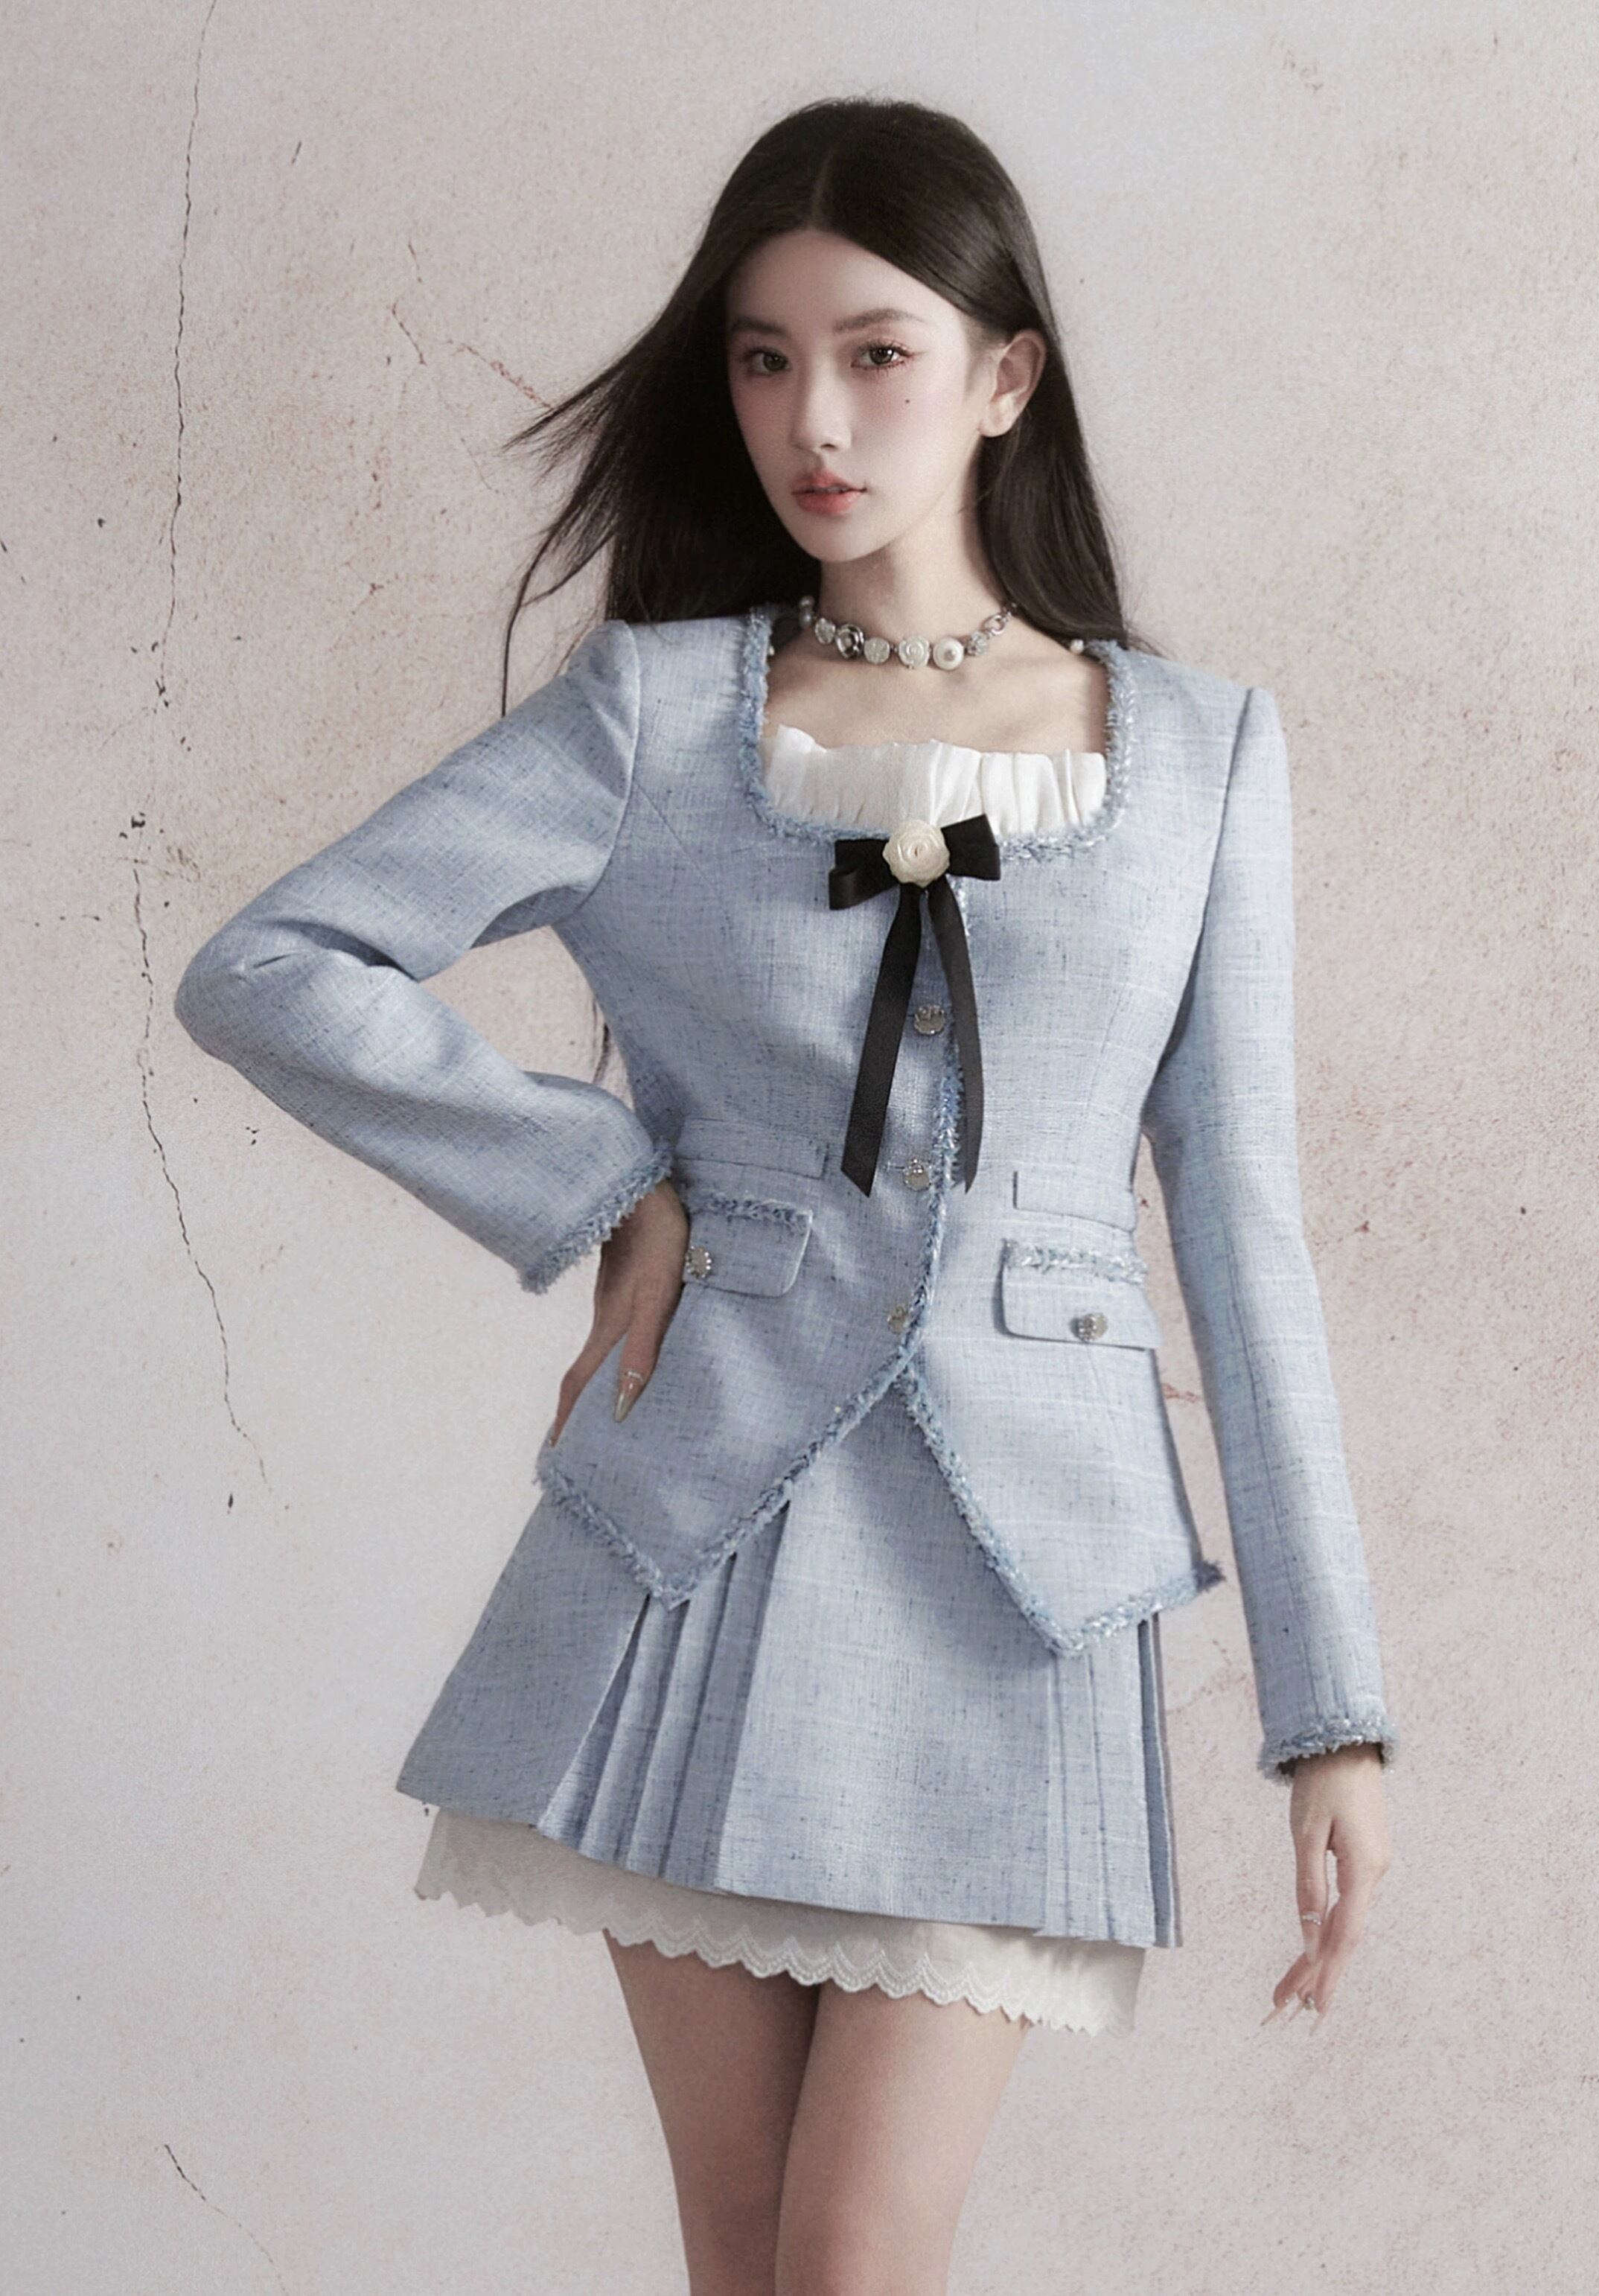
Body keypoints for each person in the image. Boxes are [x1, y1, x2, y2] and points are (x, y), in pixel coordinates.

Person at [175, 95, 1397, 2296]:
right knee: (748, 2256)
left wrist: (1332, 1709)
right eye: (761, 359)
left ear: (1005, 376)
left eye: (875, 354)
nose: (812, 421)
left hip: (1025, 1579)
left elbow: (1241, 1223)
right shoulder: (653, 716)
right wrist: (607, 1183)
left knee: (852, 2252)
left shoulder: (1205, 753)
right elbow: (274, 966)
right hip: (690, 1539)